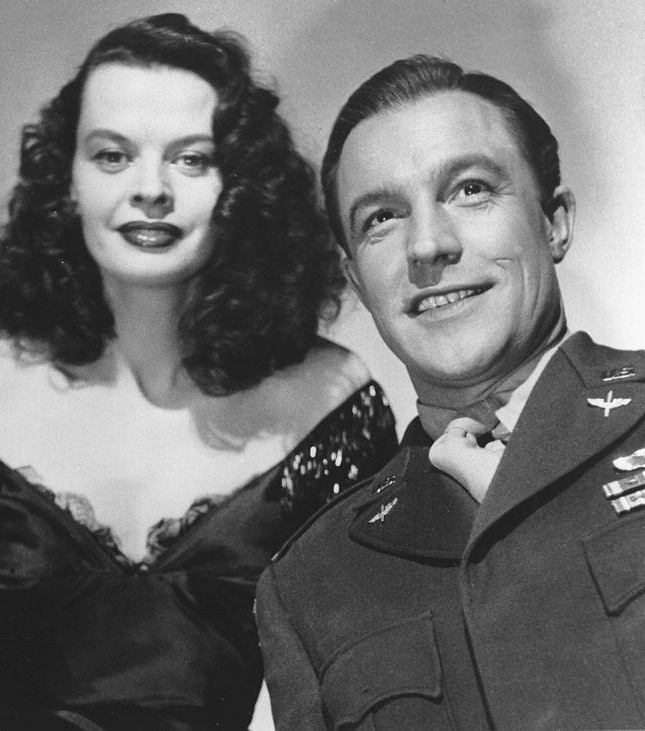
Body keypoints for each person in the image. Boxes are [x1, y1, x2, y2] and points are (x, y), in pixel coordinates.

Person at [0, 13, 398, 731]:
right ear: (66, 179)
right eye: (112, 155)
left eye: (191, 159)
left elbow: (362, 689)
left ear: (239, 185)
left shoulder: (332, 402)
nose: (151, 188)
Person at [256, 54, 645, 729]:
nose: (428, 245)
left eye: (468, 188)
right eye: (381, 217)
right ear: (354, 277)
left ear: (554, 222)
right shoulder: (311, 583)